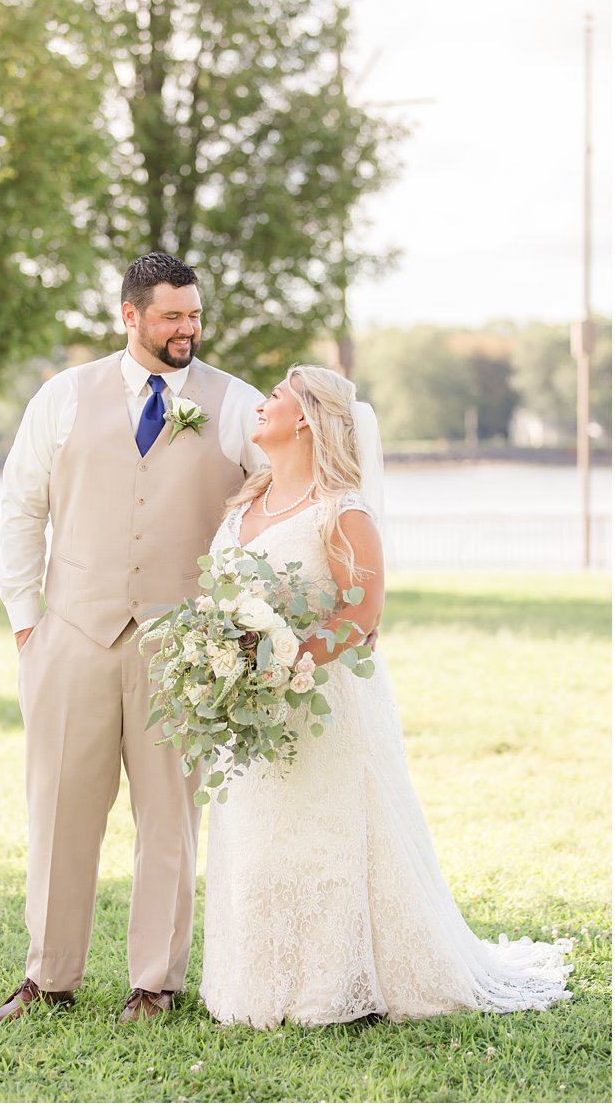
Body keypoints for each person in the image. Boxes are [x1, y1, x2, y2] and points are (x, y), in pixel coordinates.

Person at [199, 364, 571, 1026]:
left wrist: (287, 659)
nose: (262, 406)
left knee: (324, 832)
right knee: (259, 835)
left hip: (319, 699)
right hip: (247, 705)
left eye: (277, 397)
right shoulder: (246, 500)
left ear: (307, 417)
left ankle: (328, 987)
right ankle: (263, 982)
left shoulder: (342, 510)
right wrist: (221, 655)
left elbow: (361, 613)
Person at [0, 252, 265, 1023]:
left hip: (180, 643)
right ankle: (48, 977)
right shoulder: (62, 398)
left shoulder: (236, 403)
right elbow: (21, 509)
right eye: (173, 315)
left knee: (170, 818)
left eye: (196, 315)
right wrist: (26, 622)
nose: (189, 329)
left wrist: (236, 613)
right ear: (130, 315)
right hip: (72, 632)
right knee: (57, 811)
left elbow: (278, 501)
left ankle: (156, 982)